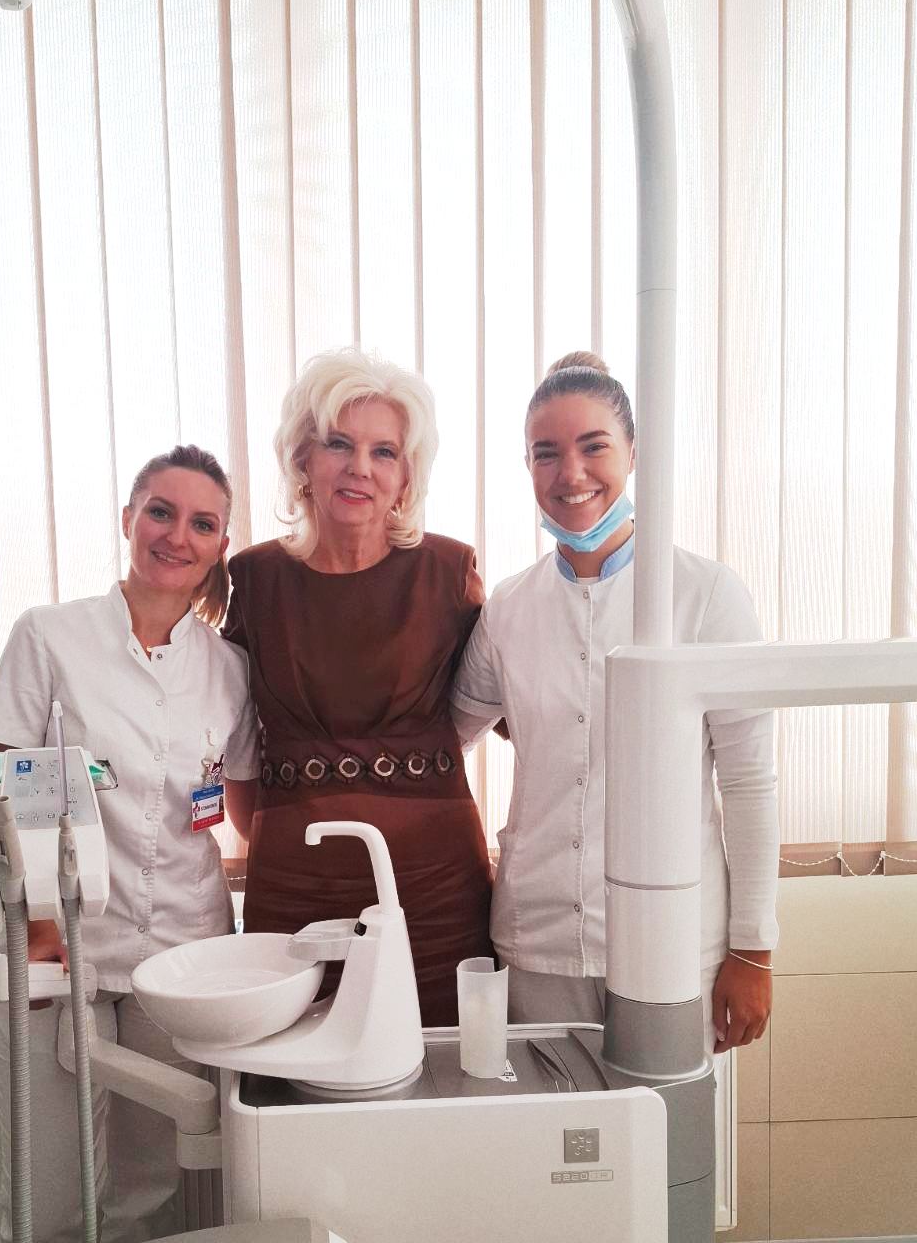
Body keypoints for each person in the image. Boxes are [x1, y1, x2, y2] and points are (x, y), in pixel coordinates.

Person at [0, 444, 260, 1243]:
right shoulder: (50, 638)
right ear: (129, 517)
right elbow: (6, 797)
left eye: (202, 522)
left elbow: (232, 806)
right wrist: (41, 935)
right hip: (62, 943)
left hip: (180, 946)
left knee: (144, 1182)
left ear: (220, 545)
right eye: (160, 511)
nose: (177, 535)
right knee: (57, 1185)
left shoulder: (228, 670)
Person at [451, 352, 778, 1051]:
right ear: (528, 467)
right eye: (546, 454)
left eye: (593, 446)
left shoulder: (705, 595)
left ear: (633, 452)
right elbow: (444, 739)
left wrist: (753, 949)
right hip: (536, 941)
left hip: (675, 941)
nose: (570, 473)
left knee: (665, 1120)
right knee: (547, 1120)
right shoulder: (508, 608)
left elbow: (749, 781)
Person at [223, 348, 492, 1025]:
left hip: (434, 888)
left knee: (439, 1061)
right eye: (338, 444)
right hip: (292, 882)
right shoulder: (253, 580)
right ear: (302, 459)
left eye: (384, 452)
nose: (360, 468)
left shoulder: (448, 571)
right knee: (285, 1063)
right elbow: (228, 736)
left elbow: (519, 706)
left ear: (406, 477)